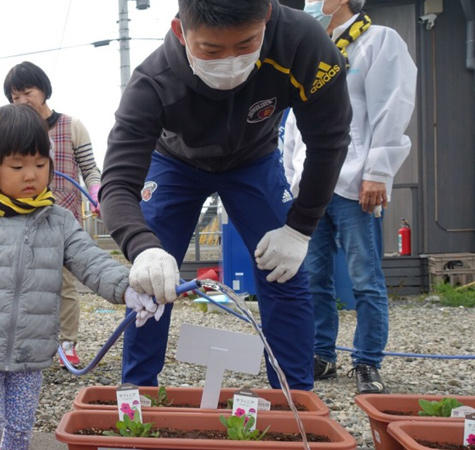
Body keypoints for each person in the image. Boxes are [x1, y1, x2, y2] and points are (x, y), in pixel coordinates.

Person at [100, 0, 354, 391]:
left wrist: (300, 228)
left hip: (254, 159)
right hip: (174, 162)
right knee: (152, 278)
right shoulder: (153, 80)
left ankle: (295, 401)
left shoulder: (306, 46)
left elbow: (329, 141)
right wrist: (141, 246)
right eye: (212, 51)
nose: (231, 62)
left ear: (266, 17)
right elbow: (117, 183)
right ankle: (138, 394)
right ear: (181, 31)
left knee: (283, 270)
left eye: (246, 44)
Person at [0, 104, 161, 450]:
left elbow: (92, 261)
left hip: (32, 349)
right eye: (17, 166)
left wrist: (128, 289)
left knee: (20, 427)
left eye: (40, 164)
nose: (31, 175)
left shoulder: (58, 220)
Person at [284, 0, 416, 393]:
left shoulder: (378, 41)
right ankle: (322, 353)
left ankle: (367, 362)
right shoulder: (308, 49)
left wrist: (378, 171)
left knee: (365, 278)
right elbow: (294, 119)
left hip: (356, 181)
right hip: (311, 184)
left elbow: (392, 106)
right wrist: (292, 176)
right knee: (313, 277)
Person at [3, 61, 103, 366]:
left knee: (64, 283)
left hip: (63, 219)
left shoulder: (71, 126)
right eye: (14, 97)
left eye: (26, 93)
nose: (21, 101)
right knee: (24, 282)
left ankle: (67, 343)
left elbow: (89, 169)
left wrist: (98, 194)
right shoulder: (12, 130)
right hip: (21, 219)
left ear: (44, 90)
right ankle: (31, 342)